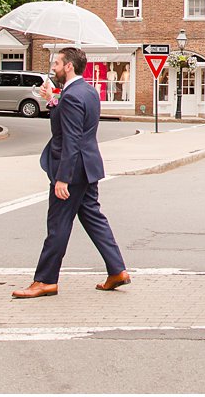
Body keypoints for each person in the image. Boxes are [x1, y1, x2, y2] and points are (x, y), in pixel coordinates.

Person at [13, 46, 130, 299]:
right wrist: (52, 100)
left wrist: (62, 178)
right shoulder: (86, 91)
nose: (53, 68)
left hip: (73, 171)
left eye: (56, 63)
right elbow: (70, 122)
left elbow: (72, 138)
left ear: (68, 66)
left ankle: (45, 280)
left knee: (58, 225)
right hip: (88, 168)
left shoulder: (73, 96)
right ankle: (117, 270)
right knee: (94, 219)